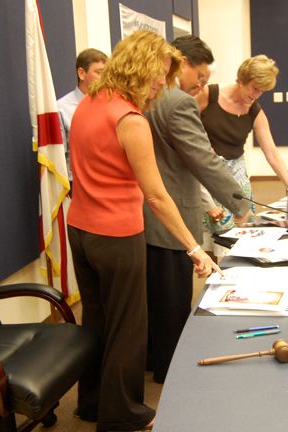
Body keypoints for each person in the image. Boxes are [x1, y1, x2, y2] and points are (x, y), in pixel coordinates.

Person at [67, 30, 221, 432]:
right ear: (139, 67)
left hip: (80, 230)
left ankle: (91, 404)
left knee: (97, 320)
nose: (160, 85)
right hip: (116, 236)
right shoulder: (129, 118)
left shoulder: (89, 101)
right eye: (158, 75)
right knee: (128, 328)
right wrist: (193, 247)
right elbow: (156, 196)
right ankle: (124, 415)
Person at [142, 35, 251, 384]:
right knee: (172, 306)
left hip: (142, 215)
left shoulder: (143, 98)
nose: (201, 85)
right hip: (172, 217)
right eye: (200, 77)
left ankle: (151, 361)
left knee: (152, 302)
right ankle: (171, 377)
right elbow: (204, 161)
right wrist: (240, 202)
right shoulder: (177, 102)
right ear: (182, 62)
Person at [195, 55, 288, 252]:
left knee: (241, 243)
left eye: (262, 91)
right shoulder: (209, 94)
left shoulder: (254, 110)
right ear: (241, 79)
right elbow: (184, 125)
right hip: (208, 174)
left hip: (237, 178)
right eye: (254, 88)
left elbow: (271, 152)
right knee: (210, 244)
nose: (256, 95)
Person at [57, 48, 108, 191]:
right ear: (81, 73)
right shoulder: (62, 109)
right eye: (98, 73)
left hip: (106, 183)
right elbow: (58, 156)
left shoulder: (109, 106)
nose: (104, 79)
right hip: (77, 186)